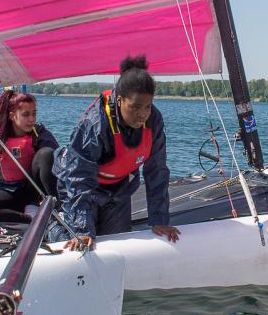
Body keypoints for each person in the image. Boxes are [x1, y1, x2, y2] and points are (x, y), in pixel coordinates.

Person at [52, 55, 179, 251]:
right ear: (119, 100)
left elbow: (157, 171)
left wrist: (159, 219)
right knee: (80, 238)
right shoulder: (95, 123)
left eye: (147, 106)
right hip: (79, 183)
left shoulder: (153, 120)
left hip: (118, 188)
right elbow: (78, 176)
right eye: (135, 107)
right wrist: (82, 229)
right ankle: (52, 225)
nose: (142, 114)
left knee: (117, 242)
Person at [0, 90, 59, 222]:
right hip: (4, 191)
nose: (32, 119)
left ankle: (53, 208)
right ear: (12, 116)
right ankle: (29, 219)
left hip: (33, 192)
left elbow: (59, 161)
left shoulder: (40, 133)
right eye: (26, 115)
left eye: (34, 113)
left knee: (47, 154)